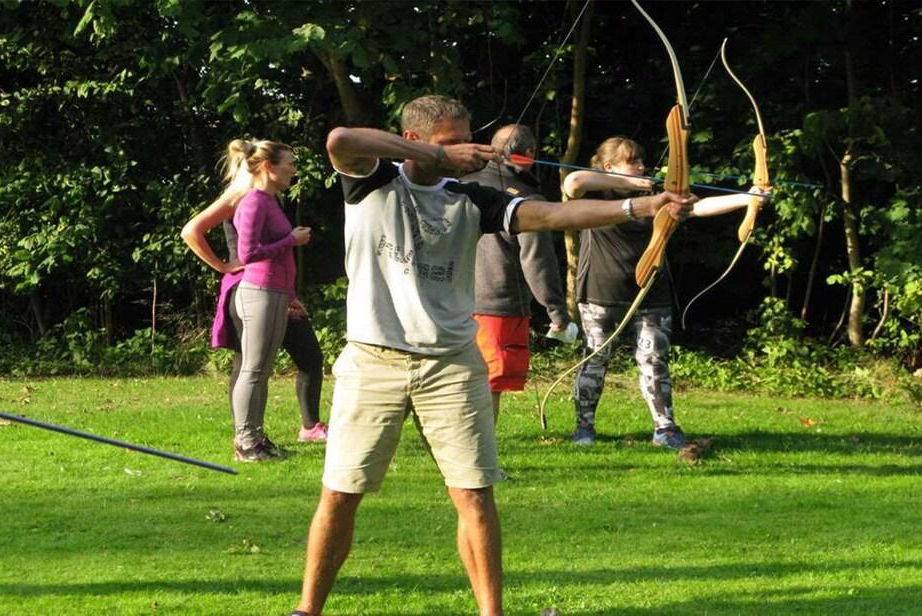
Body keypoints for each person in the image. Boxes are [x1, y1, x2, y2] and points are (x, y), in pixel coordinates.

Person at [290, 95, 696, 616]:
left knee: (474, 494)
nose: (465, 150)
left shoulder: (472, 197)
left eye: (466, 138)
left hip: (452, 364)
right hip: (374, 360)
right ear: (413, 141)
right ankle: (307, 610)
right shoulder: (372, 178)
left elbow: (551, 213)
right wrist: (442, 159)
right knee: (341, 492)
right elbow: (339, 140)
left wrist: (641, 205)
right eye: (449, 142)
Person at [564, 136, 768, 448]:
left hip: (651, 291)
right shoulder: (595, 193)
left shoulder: (660, 197)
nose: (642, 166)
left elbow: (696, 208)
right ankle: (584, 429)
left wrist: (747, 198)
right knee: (595, 358)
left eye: (641, 161)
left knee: (654, 360)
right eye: (633, 161)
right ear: (609, 167)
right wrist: (635, 186)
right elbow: (573, 181)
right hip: (600, 291)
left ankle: (665, 428)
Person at [181, 139, 325, 462]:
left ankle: (257, 438)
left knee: (261, 368)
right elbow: (248, 254)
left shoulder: (269, 201)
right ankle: (246, 442)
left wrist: (289, 295)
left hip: (275, 293)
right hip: (256, 291)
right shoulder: (252, 201)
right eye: (289, 163)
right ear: (268, 167)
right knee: (253, 367)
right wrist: (290, 239)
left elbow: (280, 258)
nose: (294, 170)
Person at [461, 123, 576, 420]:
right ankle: (481, 461)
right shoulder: (526, 200)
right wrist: (557, 313)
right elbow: (537, 260)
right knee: (488, 384)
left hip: (449, 301)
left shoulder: (462, 184)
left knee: (455, 380)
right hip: (495, 307)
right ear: (530, 153)